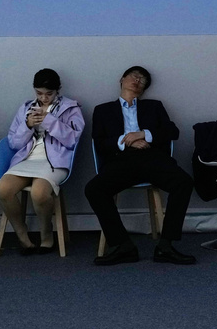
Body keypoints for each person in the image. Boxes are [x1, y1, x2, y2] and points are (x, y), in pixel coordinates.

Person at [84, 66, 196, 266]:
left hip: (152, 157)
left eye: (143, 80)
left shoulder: (154, 106)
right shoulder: (103, 110)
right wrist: (126, 140)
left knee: (184, 182)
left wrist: (143, 134)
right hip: (121, 160)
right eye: (134, 76)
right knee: (93, 189)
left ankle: (166, 246)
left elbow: (173, 131)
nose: (138, 80)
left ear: (144, 89)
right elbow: (99, 142)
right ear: (122, 79)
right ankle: (123, 245)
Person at [0, 68, 85, 254]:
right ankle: (23, 236)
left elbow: (73, 140)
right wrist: (28, 125)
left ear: (58, 90)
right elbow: (13, 143)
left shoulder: (71, 108)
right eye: (39, 93)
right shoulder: (26, 107)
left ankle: (46, 234)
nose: (44, 98)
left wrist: (50, 121)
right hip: (27, 158)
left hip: (56, 160)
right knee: (4, 189)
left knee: (39, 193)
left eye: (49, 94)